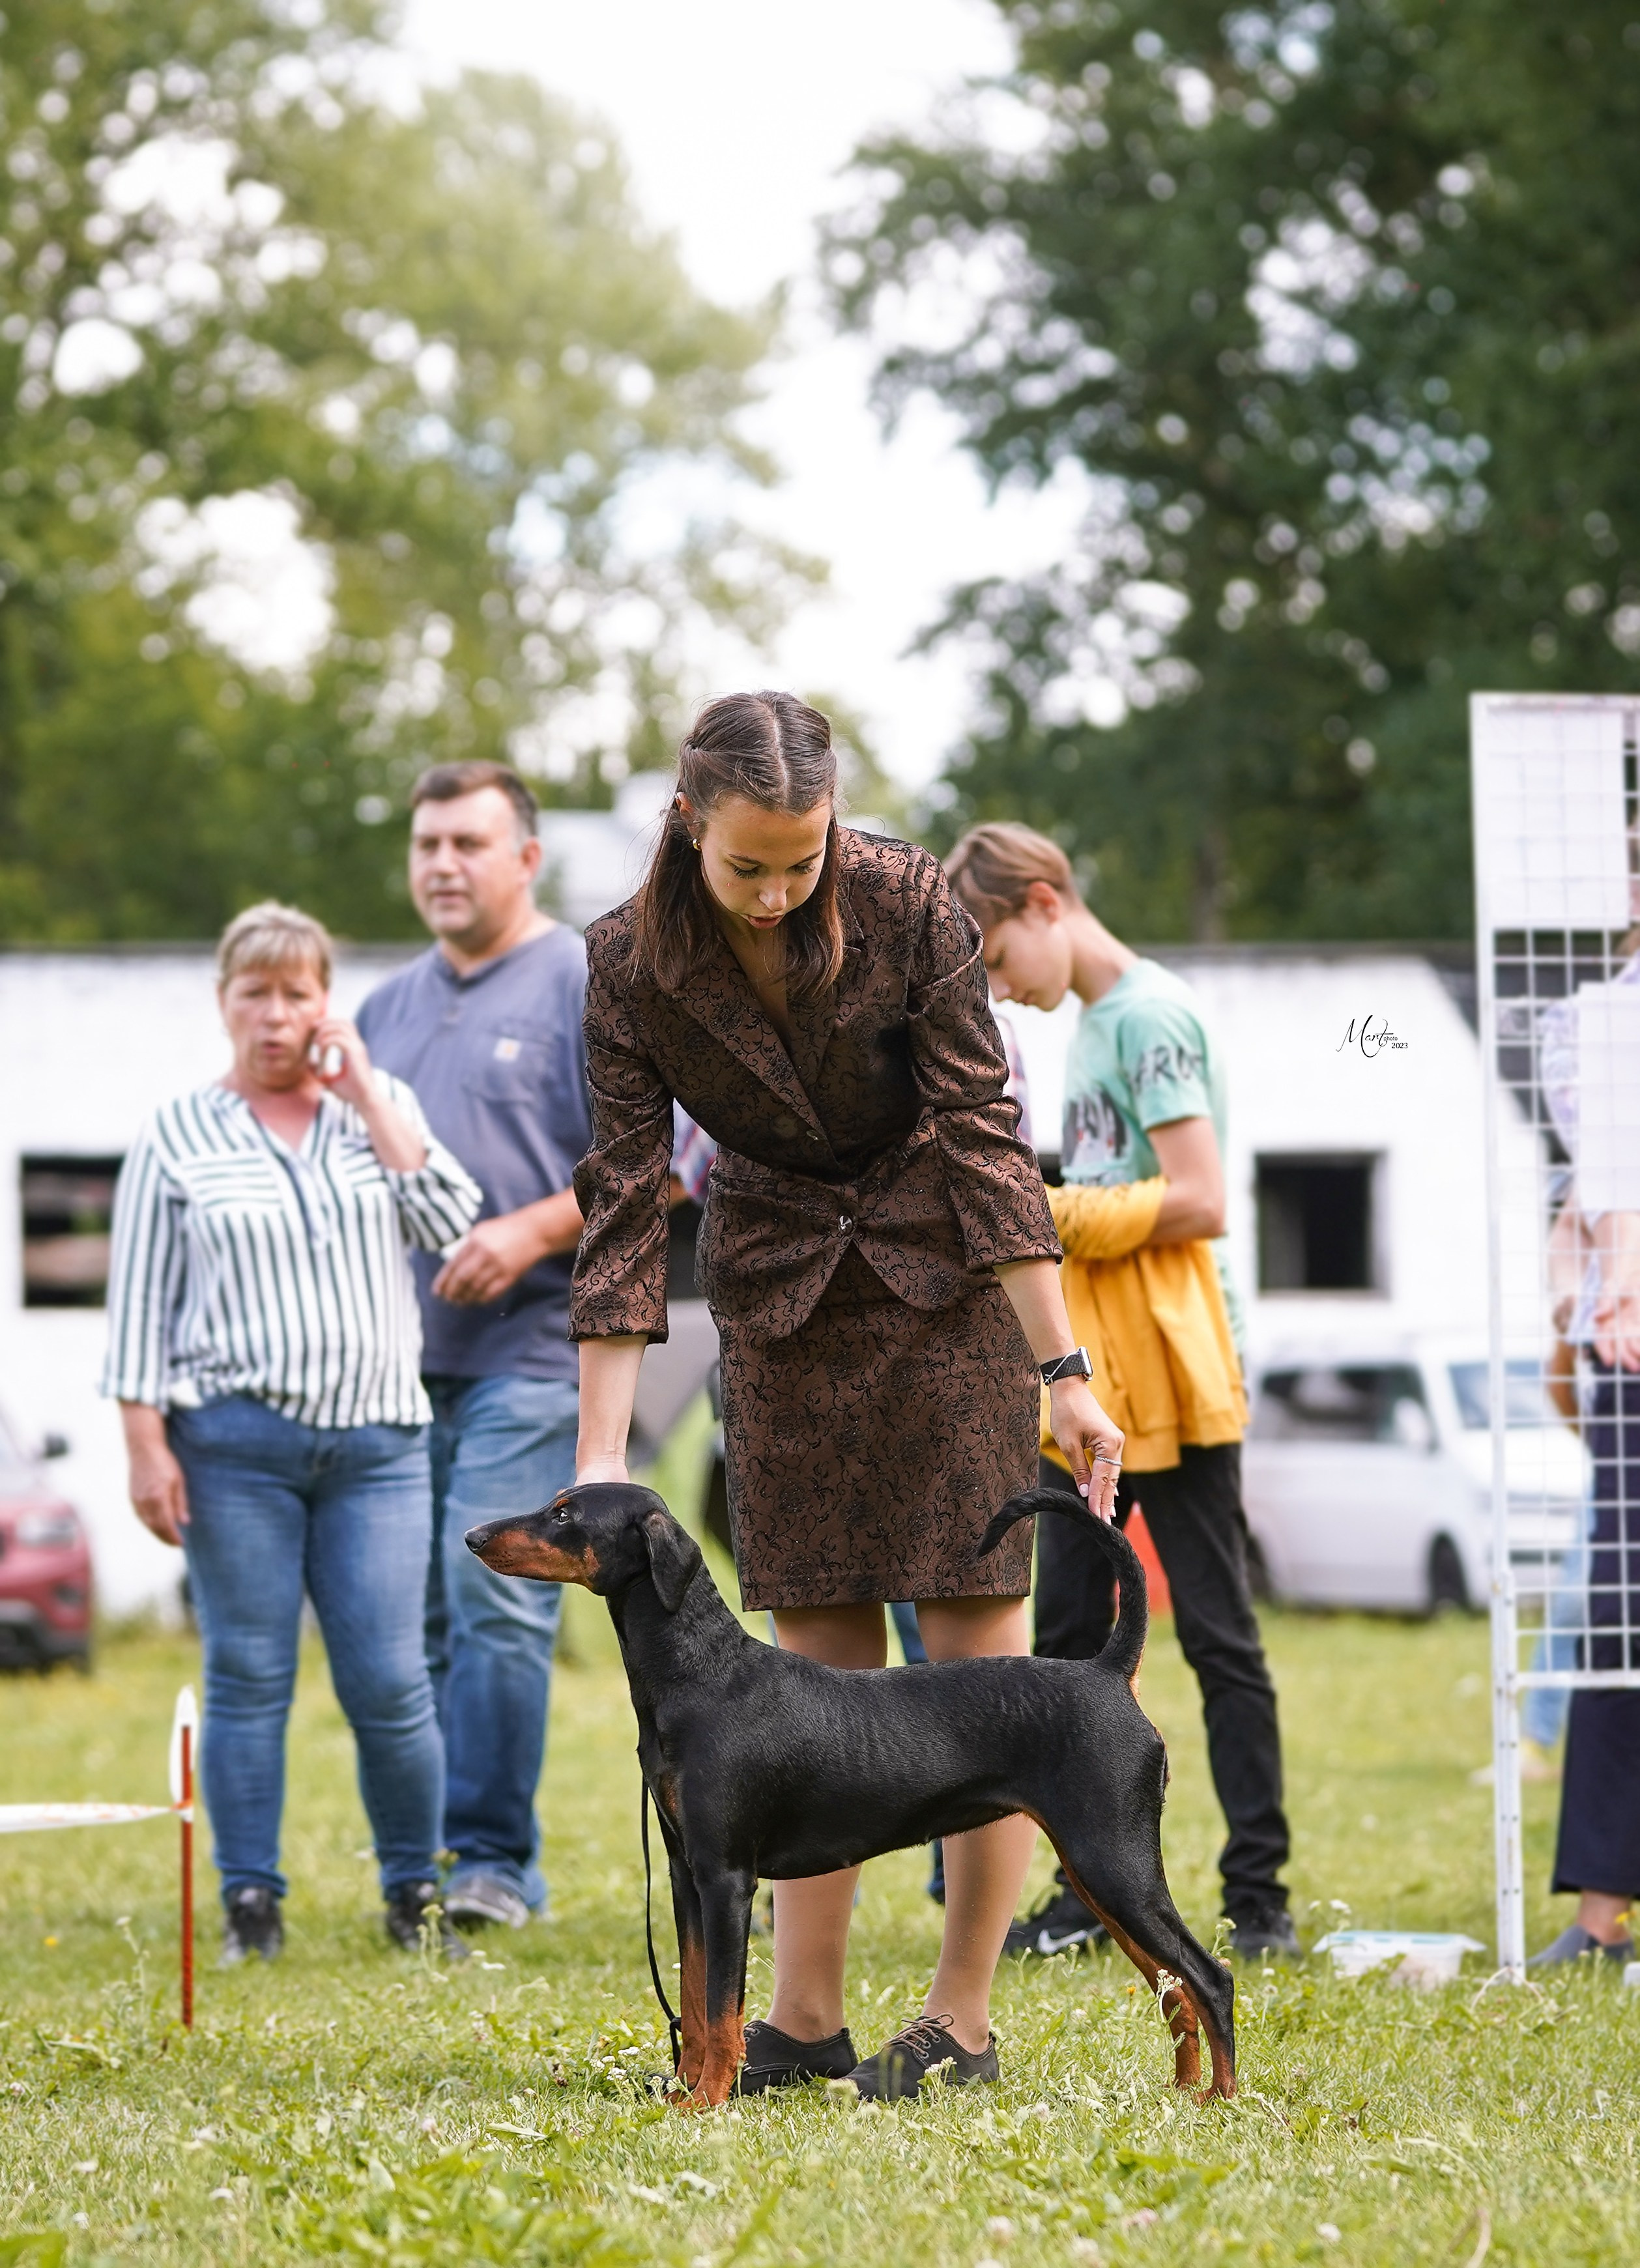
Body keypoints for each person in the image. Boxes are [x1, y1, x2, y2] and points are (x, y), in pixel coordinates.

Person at [568, 691, 1125, 2101]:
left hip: (942, 1282)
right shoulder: (626, 963)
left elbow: (982, 1133)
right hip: (780, 1292)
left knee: (975, 1644)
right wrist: (597, 1457)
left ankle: (961, 2017)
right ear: (686, 824)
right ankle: (802, 2019)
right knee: (808, 1646)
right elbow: (626, 1206)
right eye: (743, 866)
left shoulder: (915, 902)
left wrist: (1059, 1369)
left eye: (799, 864)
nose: (771, 896)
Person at [101, 902, 482, 1964]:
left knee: (392, 1682)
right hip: (234, 1446)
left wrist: (364, 1091)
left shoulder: (379, 1105)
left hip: (377, 1449)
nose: (277, 1015)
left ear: (327, 1001)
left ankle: (417, 1896)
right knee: (248, 1675)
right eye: (255, 994)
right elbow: (139, 1306)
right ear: (224, 1003)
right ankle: (249, 1907)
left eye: (297, 992)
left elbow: (453, 1225)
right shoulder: (177, 1131)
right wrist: (145, 1447)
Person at [945, 823, 1296, 1960]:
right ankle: (1080, 1891)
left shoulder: (1145, 1015)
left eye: (997, 960)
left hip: (1179, 1374)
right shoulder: (1092, 1024)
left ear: (1044, 902)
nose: (1000, 989)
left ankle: (1258, 1896)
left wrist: (1041, 1212)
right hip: (1101, 1375)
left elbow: (1197, 1197)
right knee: (1065, 1640)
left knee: (1215, 1635)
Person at [356, 762, 592, 1932]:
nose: (441, 863)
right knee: (428, 1620)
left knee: (492, 1595)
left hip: (536, 1347)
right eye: (426, 843)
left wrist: (530, 1228)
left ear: (526, 859)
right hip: (397, 1361)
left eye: (467, 842)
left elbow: (653, 1166)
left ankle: (493, 1861)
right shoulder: (383, 1010)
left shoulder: (584, 980)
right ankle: (447, 1854)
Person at [1529, 934, 1640, 1965]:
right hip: (1628, 1357)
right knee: (1617, 1617)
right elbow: (1583, 1197)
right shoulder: (1597, 1023)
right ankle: (1601, 1911)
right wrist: (1581, 1284)